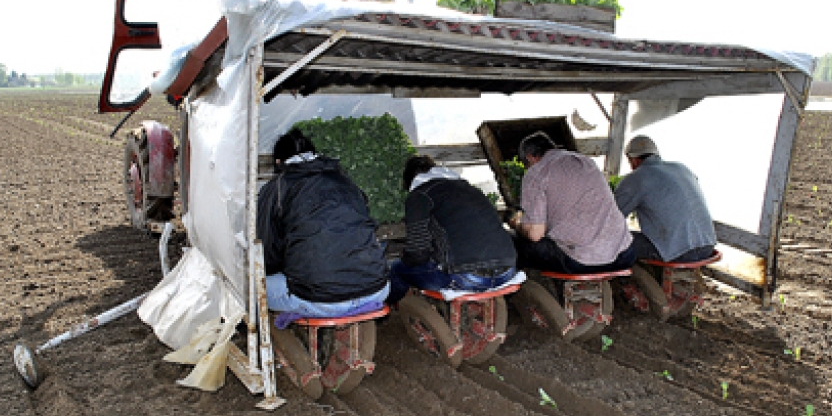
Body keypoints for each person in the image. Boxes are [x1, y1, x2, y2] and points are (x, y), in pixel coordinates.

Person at [256, 128, 390, 318]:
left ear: (278, 162)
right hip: (376, 288)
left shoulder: (277, 188)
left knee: (252, 285)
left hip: (320, 298)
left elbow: (266, 253)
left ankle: (274, 337)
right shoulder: (346, 181)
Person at [389, 155, 517, 302]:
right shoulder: (471, 189)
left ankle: (392, 313)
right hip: (508, 271)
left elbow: (418, 252)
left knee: (397, 269)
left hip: (467, 277)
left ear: (410, 179)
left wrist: (407, 259)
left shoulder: (420, 195)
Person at [509, 131, 635, 274]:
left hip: (582, 261)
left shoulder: (537, 173)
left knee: (513, 240)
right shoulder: (587, 162)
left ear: (529, 158)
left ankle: (521, 289)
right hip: (624, 253)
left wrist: (518, 225)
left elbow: (535, 234)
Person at [613, 135, 717, 263]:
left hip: (678, 252)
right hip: (707, 246)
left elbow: (611, 218)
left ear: (632, 160)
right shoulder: (682, 168)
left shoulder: (636, 178)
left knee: (613, 240)